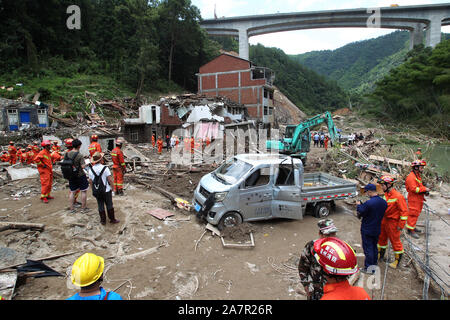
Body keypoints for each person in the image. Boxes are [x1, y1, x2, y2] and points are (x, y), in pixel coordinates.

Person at [298, 219, 338, 300]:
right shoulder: (311, 247)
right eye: (328, 234)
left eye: (333, 234)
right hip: (315, 292)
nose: (331, 237)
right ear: (320, 234)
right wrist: (306, 285)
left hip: (334, 292)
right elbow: (303, 267)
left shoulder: (339, 249)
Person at [377, 175, 409, 269]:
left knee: (395, 241)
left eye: (383, 185)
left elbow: (404, 212)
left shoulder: (398, 196)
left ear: (388, 185)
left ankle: (397, 260)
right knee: (381, 238)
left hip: (393, 222)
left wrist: (401, 225)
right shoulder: (386, 195)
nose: (381, 187)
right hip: (384, 220)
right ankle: (380, 255)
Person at [356, 184, 387, 273]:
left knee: (368, 248)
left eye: (367, 192)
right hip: (377, 228)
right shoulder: (383, 202)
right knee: (374, 246)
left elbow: (361, 211)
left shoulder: (369, 203)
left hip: (367, 228)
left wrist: (358, 205)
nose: (367, 194)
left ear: (370, 191)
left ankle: (369, 268)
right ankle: (374, 264)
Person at [88, 152, 119, 225]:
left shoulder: (91, 170)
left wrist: (93, 189)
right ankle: (112, 219)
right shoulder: (105, 168)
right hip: (106, 190)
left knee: (100, 204)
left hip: (97, 190)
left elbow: (90, 181)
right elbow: (110, 180)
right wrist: (113, 188)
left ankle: (103, 220)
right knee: (109, 204)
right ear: (101, 159)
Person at [405, 160, 430, 239]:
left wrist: (425, 191)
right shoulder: (411, 177)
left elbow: (419, 186)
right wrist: (424, 189)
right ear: (416, 167)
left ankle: (413, 227)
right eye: (421, 167)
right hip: (414, 198)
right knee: (413, 214)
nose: (422, 169)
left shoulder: (417, 175)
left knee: (416, 214)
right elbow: (414, 189)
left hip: (418, 198)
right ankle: (410, 230)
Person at [67, 139, 90, 213]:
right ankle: (83, 208)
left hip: (71, 175)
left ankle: (71, 209)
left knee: (72, 191)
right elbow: (83, 166)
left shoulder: (68, 154)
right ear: (79, 146)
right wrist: (87, 163)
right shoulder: (79, 155)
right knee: (83, 191)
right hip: (80, 175)